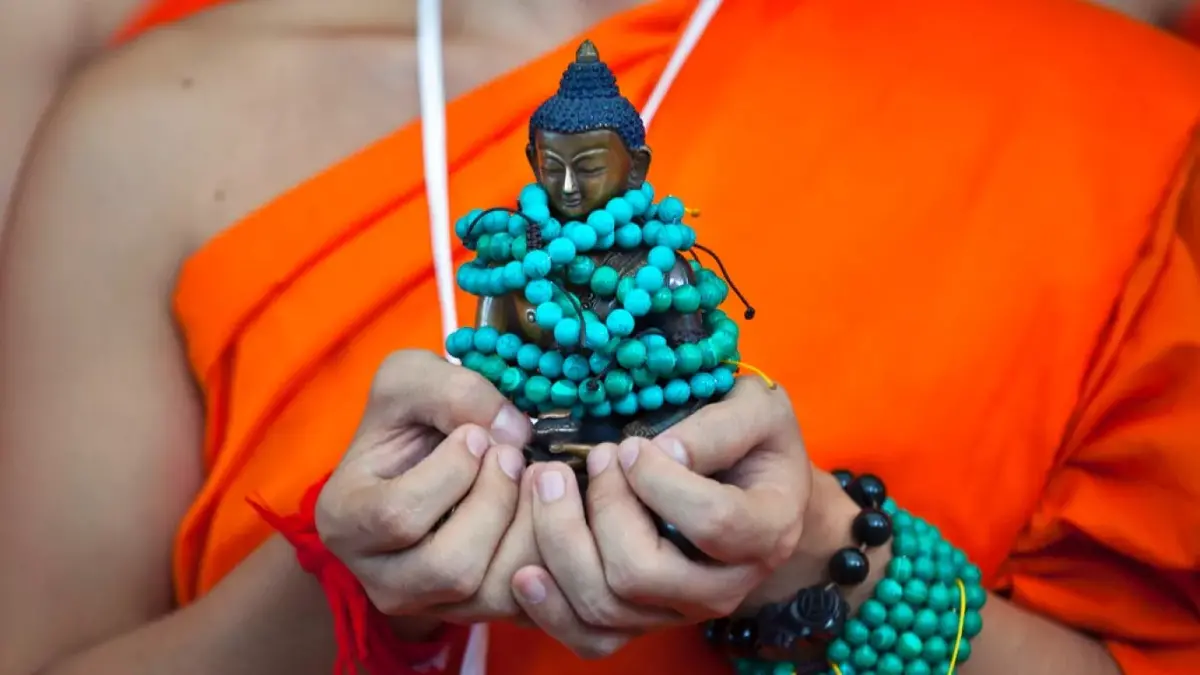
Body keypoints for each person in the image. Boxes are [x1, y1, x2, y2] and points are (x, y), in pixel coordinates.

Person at [1, 0, 1198, 674]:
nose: (575, 186)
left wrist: (817, 562)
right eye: (558, 169)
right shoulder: (157, 128)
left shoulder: (1099, 121)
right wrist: (351, 578)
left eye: (595, 170)